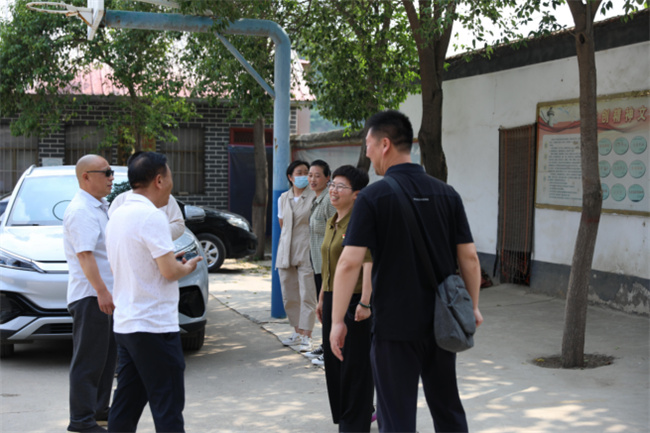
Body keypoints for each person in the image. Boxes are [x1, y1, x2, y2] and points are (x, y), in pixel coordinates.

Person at [330, 110, 484, 433]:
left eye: (369, 144)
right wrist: (472, 307)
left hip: (394, 328)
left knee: (396, 416)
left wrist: (337, 321)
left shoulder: (373, 197)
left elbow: (348, 263)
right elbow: (469, 258)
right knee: (448, 409)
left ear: (385, 144)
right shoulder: (447, 193)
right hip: (443, 323)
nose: (367, 152)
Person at [105, 152, 202, 433]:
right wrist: (187, 266)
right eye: (170, 176)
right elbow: (169, 271)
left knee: (126, 404)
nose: (172, 183)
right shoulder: (152, 216)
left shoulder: (117, 214)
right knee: (168, 405)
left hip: (127, 324)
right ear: (159, 180)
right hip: (154, 326)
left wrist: (172, 264)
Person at [317, 165, 374, 432]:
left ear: (356, 194)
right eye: (333, 185)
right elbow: (329, 266)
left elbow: (368, 263)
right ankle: (345, 418)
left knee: (355, 364)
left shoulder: (360, 222)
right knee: (334, 361)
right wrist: (322, 298)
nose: (334, 190)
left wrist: (366, 301)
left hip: (354, 301)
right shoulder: (333, 221)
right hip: (332, 298)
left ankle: (356, 422)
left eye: (341, 186)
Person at [63, 155, 117, 433]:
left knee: (106, 359)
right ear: (86, 176)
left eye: (111, 172)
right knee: (89, 360)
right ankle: (81, 420)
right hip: (91, 296)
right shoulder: (81, 210)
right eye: (106, 173)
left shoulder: (98, 206)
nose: (111, 177)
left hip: (103, 295)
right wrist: (101, 291)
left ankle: (98, 410)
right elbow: (85, 256)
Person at [276, 160, 317, 352]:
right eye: (299, 172)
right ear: (290, 177)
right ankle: (297, 332)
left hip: (307, 250)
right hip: (286, 251)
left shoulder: (315, 197)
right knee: (289, 294)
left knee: (307, 294)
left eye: (306, 173)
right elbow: (282, 224)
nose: (304, 176)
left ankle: (307, 336)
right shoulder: (283, 198)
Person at [306, 159, 335, 363]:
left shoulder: (328, 202)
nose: (312, 179)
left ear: (327, 178)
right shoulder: (316, 200)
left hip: (328, 265)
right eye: (310, 175)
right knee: (322, 307)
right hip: (318, 263)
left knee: (328, 308)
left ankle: (330, 351)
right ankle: (325, 345)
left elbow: (336, 232)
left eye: (317, 175)